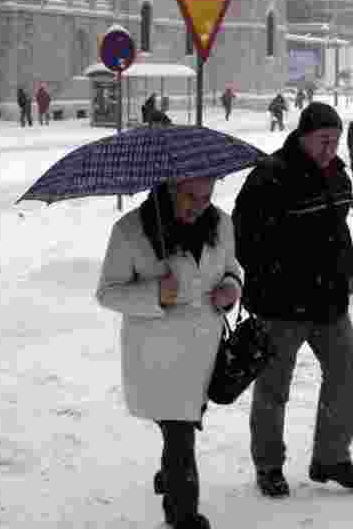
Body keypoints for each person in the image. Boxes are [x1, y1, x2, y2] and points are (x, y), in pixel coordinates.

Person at [232, 102, 353, 499]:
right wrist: (281, 267)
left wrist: (348, 268)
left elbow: (337, 229)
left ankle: (331, 457)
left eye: (336, 141)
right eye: (324, 141)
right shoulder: (270, 176)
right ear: (304, 136)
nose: (331, 149)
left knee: (348, 370)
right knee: (274, 387)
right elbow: (243, 239)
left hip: (328, 298)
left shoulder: (336, 173)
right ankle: (269, 465)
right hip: (281, 303)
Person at [96, 177, 243, 529]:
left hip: (204, 347)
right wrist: (155, 294)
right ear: (167, 189)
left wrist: (230, 288)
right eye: (190, 196)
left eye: (207, 196)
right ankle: (182, 511)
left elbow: (231, 269)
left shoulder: (221, 223)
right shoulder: (130, 231)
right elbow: (108, 292)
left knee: (183, 421)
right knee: (180, 430)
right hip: (158, 351)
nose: (200, 204)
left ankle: (169, 472)